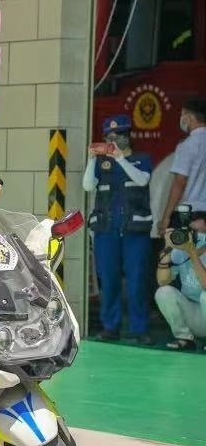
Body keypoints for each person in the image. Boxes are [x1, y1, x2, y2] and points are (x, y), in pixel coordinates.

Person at [83, 114, 153, 344]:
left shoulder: (142, 159)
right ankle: (110, 327)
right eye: (109, 136)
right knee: (109, 280)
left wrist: (121, 159)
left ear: (128, 135)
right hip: (106, 230)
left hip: (135, 231)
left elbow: (142, 180)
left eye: (119, 134)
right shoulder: (102, 163)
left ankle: (139, 329)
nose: (114, 139)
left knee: (137, 281)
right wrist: (92, 160)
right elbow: (88, 186)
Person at [155, 219, 206, 351]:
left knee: (205, 296)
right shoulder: (180, 251)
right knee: (163, 292)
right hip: (194, 314)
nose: (193, 236)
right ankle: (185, 338)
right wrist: (168, 248)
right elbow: (162, 281)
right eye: (191, 231)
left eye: (198, 232)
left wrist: (192, 253)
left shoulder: (189, 250)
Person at [160, 98, 206, 229]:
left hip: (189, 214)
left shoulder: (188, 145)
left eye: (182, 114)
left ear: (189, 117)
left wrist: (166, 217)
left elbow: (180, 182)